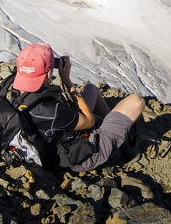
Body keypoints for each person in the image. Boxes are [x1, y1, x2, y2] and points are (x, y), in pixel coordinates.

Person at [11, 42, 145, 172]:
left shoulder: (17, 91)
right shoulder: (50, 110)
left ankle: (113, 131)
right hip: (81, 154)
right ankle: (125, 151)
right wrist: (66, 80)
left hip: (58, 135)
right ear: (48, 73)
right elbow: (89, 121)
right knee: (136, 101)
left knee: (91, 90)